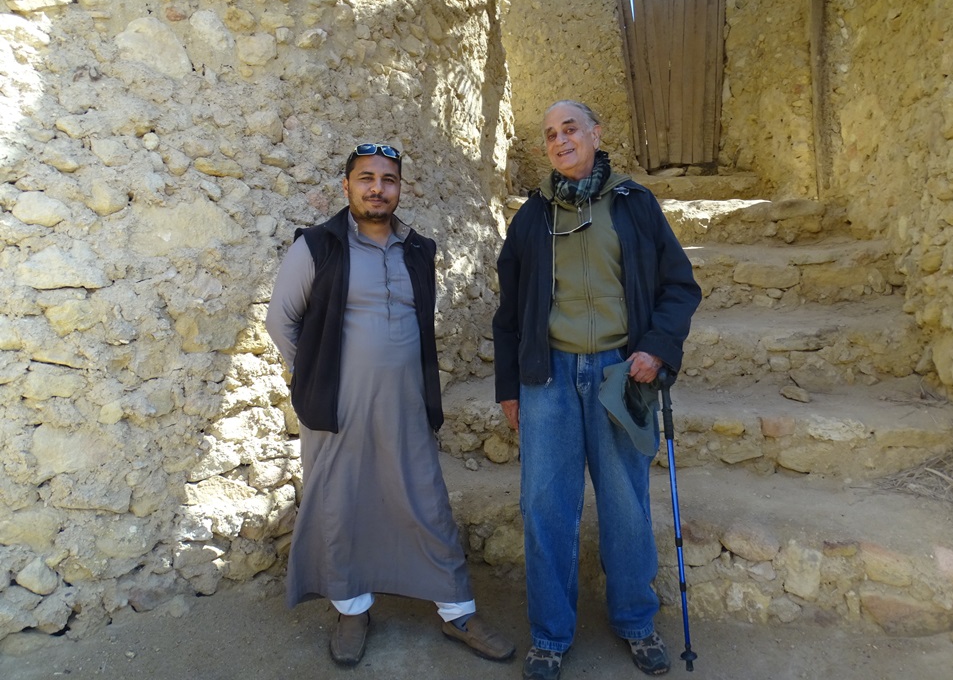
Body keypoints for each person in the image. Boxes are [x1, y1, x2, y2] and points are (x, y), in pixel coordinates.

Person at [266, 142, 515, 668]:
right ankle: (353, 610)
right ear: (347, 187)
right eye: (366, 178)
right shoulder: (317, 247)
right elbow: (281, 321)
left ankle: (458, 612)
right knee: (340, 504)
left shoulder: (419, 249)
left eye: (388, 179)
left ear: (400, 189)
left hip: (405, 404)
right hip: (337, 408)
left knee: (426, 501)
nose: (377, 187)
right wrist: (315, 377)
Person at [493, 102, 702, 680]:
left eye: (571, 130)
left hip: (619, 373)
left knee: (625, 505)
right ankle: (550, 635)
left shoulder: (635, 205)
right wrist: (509, 386)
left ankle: (636, 622)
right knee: (545, 507)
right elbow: (509, 311)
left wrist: (656, 348)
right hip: (549, 377)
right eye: (550, 135)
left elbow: (679, 286)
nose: (561, 141)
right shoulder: (532, 217)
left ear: (595, 135)